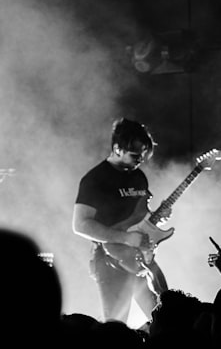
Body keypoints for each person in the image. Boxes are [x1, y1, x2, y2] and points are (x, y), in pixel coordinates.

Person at [72, 117, 169, 325]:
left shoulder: (139, 177)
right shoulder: (95, 179)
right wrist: (125, 238)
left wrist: (158, 218)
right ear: (117, 148)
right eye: (135, 154)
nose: (140, 159)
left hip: (141, 259)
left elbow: (140, 217)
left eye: (143, 155)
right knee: (115, 328)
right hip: (110, 262)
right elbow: (80, 224)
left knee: (165, 318)